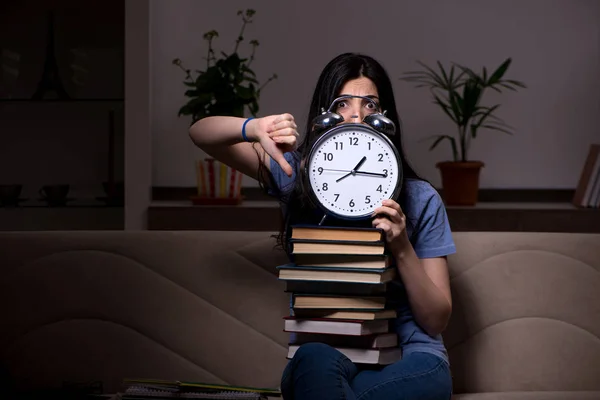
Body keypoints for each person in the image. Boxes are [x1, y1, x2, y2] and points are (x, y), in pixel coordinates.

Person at [189, 52, 456, 400]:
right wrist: (253, 128)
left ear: (385, 117)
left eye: (370, 105)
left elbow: (436, 320)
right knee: (313, 358)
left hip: (410, 356)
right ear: (325, 112)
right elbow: (200, 134)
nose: (356, 114)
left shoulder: (420, 198)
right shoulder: (296, 174)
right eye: (342, 102)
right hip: (328, 356)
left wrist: (402, 245)